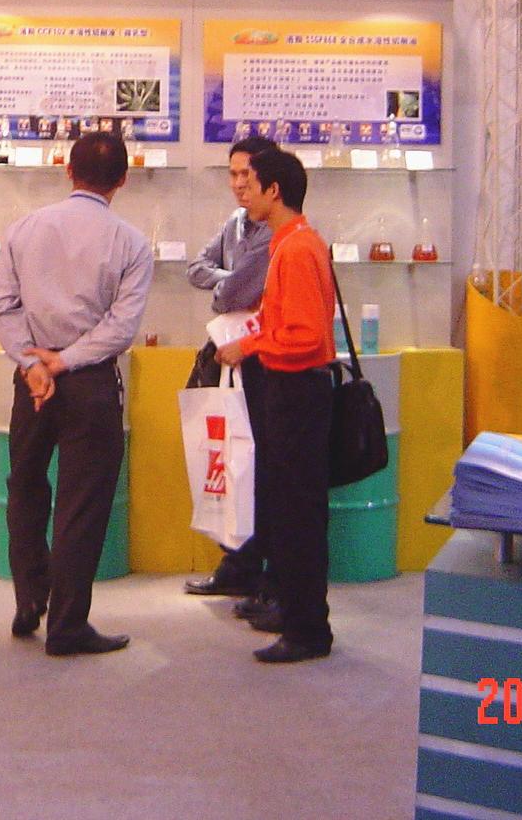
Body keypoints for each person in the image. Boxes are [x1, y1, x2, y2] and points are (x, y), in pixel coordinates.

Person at [0, 131, 153, 657]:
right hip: (91, 383)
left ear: (67, 169)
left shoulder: (23, 228)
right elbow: (121, 326)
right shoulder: (131, 242)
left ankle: (28, 597)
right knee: (82, 503)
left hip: (33, 382)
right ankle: (66, 625)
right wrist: (66, 361)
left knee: (25, 486)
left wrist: (34, 363)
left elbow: (3, 308)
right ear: (123, 179)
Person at [215, 147, 335, 664]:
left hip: (297, 391)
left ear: (275, 190)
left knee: (297, 515)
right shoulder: (290, 243)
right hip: (289, 391)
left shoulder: (297, 249)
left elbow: (305, 336)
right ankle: (294, 612)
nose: (242, 188)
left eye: (252, 180)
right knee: (288, 512)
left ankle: (307, 629)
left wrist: (251, 344)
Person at [183, 134, 276, 603]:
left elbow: (232, 295)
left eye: (247, 176)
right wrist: (231, 280)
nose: (239, 184)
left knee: (257, 465)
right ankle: (237, 563)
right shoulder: (235, 224)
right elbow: (197, 268)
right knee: (224, 457)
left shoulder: (277, 232)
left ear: (269, 182)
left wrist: (230, 286)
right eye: (233, 174)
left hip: (263, 361)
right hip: (227, 356)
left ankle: (261, 571)